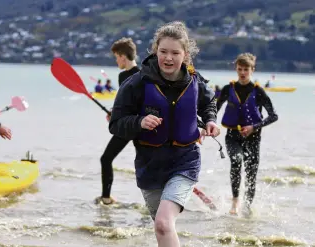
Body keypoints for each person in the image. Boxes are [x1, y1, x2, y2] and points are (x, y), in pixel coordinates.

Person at [109, 21, 219, 247]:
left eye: (175, 53)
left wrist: (210, 120)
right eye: (163, 52)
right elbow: (116, 124)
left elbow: (209, 103)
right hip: (150, 166)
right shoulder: (136, 84)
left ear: (185, 55)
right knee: (163, 229)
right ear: (154, 51)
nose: (168, 58)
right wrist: (139, 121)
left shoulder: (195, 80)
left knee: (162, 224)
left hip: (184, 161)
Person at [216, 53, 278, 216]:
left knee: (251, 175)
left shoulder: (258, 92)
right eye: (239, 69)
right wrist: (206, 125)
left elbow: (274, 115)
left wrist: (254, 126)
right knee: (236, 160)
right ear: (236, 69)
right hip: (232, 136)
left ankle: (247, 207)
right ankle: (235, 202)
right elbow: (213, 109)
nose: (242, 73)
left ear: (252, 70)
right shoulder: (228, 89)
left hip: (253, 138)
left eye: (246, 69)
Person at [95, 37, 140, 205]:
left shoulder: (141, 75)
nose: (116, 61)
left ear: (122, 56)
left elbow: (139, 104)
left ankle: (106, 198)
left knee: (106, 159)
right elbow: (125, 103)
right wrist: (115, 113)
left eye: (116, 57)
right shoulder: (124, 76)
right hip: (130, 125)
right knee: (107, 159)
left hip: (135, 126)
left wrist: (119, 115)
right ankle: (106, 198)